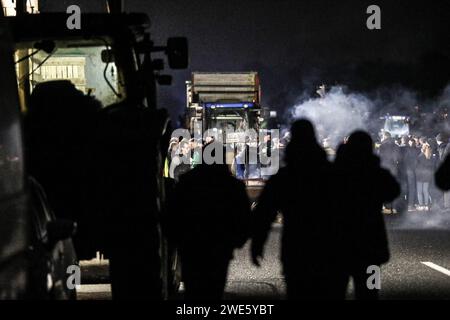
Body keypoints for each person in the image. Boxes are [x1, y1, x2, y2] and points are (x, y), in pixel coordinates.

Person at [250, 119, 343, 299]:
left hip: (296, 247)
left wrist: (257, 245)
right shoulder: (331, 173)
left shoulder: (284, 176)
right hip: (329, 246)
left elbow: (264, 213)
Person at [166, 141, 251, 299]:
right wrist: (236, 241)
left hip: (191, 246)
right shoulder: (233, 186)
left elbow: (171, 214)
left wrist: (176, 240)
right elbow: (243, 218)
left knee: (194, 292)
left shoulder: (186, 182)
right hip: (220, 247)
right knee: (215, 291)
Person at [334, 131, 400, 300]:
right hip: (370, 242)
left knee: (335, 290)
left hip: (339, 241)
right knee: (370, 292)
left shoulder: (337, 171)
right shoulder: (374, 172)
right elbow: (393, 190)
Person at [415, 143, 436, 211]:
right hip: (428, 176)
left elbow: (416, 167)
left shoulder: (420, 156)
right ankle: (426, 206)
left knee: (419, 192)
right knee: (426, 191)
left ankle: (421, 206)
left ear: (422, 149)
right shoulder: (431, 157)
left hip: (420, 176)